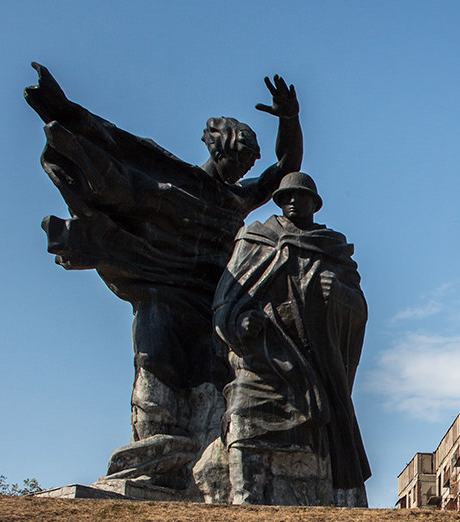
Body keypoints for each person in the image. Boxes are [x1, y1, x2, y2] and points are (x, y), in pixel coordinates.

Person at [25, 64, 303, 493]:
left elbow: (286, 164)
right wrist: (64, 111)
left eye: (249, 162)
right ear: (217, 149)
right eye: (238, 158)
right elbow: (117, 143)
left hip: (212, 306)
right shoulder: (176, 183)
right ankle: (152, 461)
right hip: (162, 291)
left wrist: (290, 119)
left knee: (213, 389)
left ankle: (198, 470)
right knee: (155, 370)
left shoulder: (237, 198)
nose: (243, 167)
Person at [212, 173, 370, 507]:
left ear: (315, 203)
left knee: (322, 417)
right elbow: (227, 295)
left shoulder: (333, 247)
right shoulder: (257, 238)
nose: (293, 202)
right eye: (286, 197)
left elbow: (358, 307)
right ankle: (244, 497)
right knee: (243, 411)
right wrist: (240, 321)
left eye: (300, 196)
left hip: (314, 360)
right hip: (265, 351)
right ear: (279, 202)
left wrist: (337, 293)